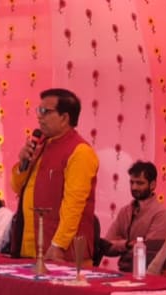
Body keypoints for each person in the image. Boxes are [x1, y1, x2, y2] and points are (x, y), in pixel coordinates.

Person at [10, 88, 99, 261]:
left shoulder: (80, 151)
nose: (39, 117)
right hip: (30, 249)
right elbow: (17, 187)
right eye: (38, 110)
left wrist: (58, 244)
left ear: (64, 118)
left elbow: (73, 204)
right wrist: (22, 164)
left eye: (45, 111)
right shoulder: (41, 144)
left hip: (61, 254)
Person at [103, 161, 166, 270]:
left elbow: (149, 254)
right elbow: (105, 246)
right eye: (132, 182)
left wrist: (120, 245)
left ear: (152, 185)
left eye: (139, 183)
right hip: (123, 271)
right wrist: (127, 244)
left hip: (147, 274)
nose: (134, 187)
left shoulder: (161, 214)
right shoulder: (124, 211)